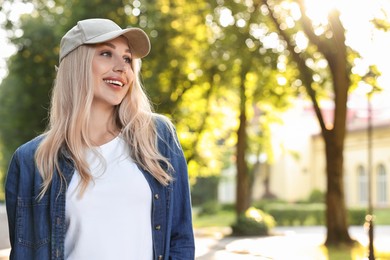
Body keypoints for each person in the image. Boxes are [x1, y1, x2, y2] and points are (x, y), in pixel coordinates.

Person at [5, 18, 195, 260]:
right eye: (106, 53)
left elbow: (180, 239)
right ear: (76, 64)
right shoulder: (32, 160)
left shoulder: (157, 137)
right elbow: (25, 253)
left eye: (127, 58)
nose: (122, 67)